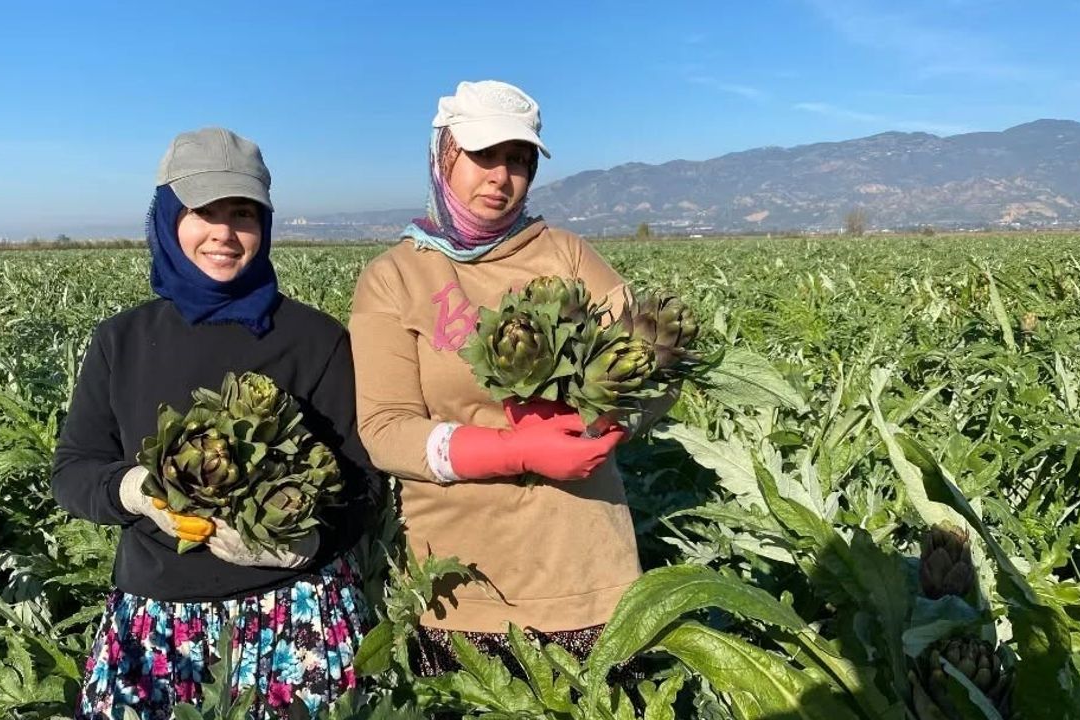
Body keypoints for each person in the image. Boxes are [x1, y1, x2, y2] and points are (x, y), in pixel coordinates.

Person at [52, 127, 382, 719]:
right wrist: (133, 492)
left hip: (296, 613)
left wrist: (305, 544)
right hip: (154, 627)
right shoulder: (121, 342)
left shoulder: (316, 340)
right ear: (168, 218)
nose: (225, 234)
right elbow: (73, 472)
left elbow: (361, 482)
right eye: (205, 212)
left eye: (244, 214)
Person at [348, 80, 659, 675]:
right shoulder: (396, 278)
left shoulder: (566, 254)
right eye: (483, 155)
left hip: (590, 572)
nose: (501, 175)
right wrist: (516, 449)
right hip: (461, 592)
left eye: (518, 159)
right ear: (444, 156)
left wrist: (606, 425)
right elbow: (387, 431)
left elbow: (654, 370)